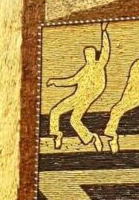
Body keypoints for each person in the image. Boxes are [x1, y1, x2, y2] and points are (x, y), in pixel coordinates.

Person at [46, 22, 110, 152]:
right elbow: (72, 80)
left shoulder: (99, 65)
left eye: (90, 54)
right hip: (76, 96)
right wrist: (55, 82)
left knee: (74, 120)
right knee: (55, 111)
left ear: (94, 55)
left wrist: (104, 33)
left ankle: (92, 138)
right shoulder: (83, 70)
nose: (88, 57)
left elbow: (106, 50)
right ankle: (57, 134)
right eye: (86, 55)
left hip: (86, 99)